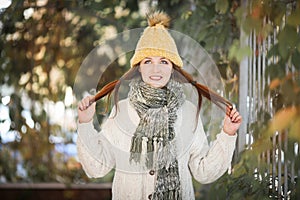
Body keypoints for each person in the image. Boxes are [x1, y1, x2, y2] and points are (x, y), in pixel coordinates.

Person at [77, 11, 242, 200]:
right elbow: (97, 167)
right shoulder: (122, 110)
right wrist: (85, 123)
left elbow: (203, 171)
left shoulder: (188, 111)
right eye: (148, 61)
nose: (156, 69)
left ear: (172, 68)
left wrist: (228, 134)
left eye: (164, 61)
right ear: (139, 67)